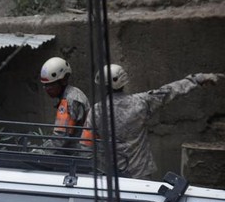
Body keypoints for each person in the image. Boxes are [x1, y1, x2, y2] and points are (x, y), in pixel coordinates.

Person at [81, 65, 223, 180]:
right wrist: (197, 79)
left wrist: (92, 172)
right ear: (124, 83)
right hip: (140, 174)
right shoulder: (141, 103)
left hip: (110, 177)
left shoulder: (96, 111)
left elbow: (86, 145)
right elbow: (170, 91)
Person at [37, 57, 90, 152]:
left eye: (50, 84)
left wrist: (40, 152)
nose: (47, 89)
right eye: (45, 85)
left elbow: (60, 138)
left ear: (63, 80)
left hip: (76, 155)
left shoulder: (70, 100)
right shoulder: (73, 94)